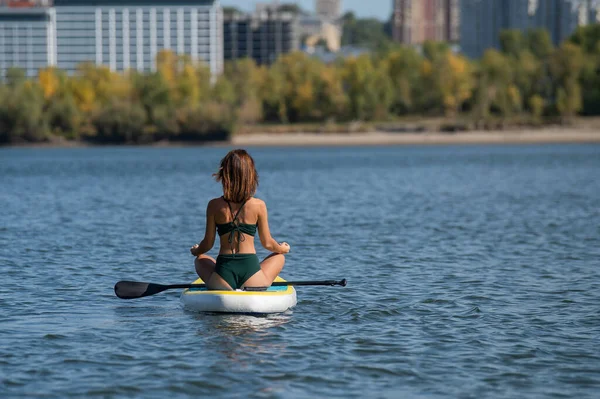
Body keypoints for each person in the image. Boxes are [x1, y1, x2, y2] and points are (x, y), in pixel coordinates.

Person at [190, 149, 290, 291]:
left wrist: (196, 251)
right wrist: (282, 248)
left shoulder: (213, 205)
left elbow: (207, 244)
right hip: (252, 277)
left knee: (201, 259)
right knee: (279, 257)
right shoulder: (258, 205)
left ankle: (223, 285)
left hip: (222, 277)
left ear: (224, 175)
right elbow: (267, 243)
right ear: (250, 175)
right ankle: (255, 282)